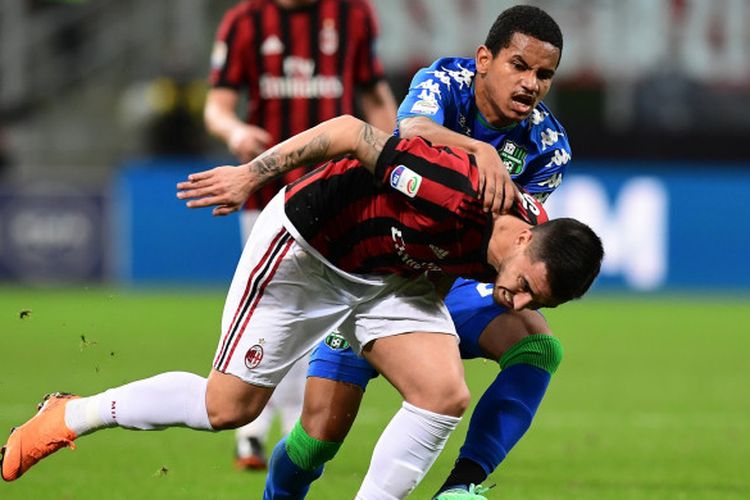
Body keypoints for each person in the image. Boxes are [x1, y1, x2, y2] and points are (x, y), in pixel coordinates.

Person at [1, 115, 603, 500]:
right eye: (524, 285)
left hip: (390, 280)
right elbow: (347, 131)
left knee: (444, 393)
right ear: (521, 240)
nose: (515, 299)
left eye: (534, 300)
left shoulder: (530, 244)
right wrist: (250, 176)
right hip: (308, 251)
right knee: (227, 408)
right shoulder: (454, 191)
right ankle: (72, 415)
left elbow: (482, 279)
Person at [260, 5, 572, 499]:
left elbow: (513, 243)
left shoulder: (548, 147)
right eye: (520, 65)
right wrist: (481, 151)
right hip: (378, 277)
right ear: (484, 59)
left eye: (544, 74)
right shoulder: (446, 81)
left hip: (452, 284)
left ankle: (462, 486)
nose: (531, 84)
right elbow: (408, 136)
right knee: (315, 443)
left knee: (538, 346)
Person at [204, 0, 399, 469]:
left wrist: (397, 155)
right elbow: (218, 105)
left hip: (338, 192)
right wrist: (235, 133)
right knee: (273, 309)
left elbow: (374, 96)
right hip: (268, 196)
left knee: (317, 314)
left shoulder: (354, 14)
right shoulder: (245, 21)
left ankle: (271, 433)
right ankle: (260, 429)